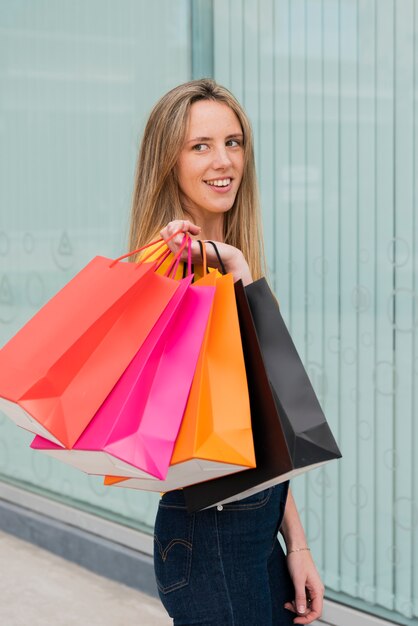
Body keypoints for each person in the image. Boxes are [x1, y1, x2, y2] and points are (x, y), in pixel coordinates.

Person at [128, 79, 324, 626]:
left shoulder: (232, 263)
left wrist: (297, 545)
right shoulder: (165, 274)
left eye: (233, 142)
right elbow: (199, 433)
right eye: (201, 146)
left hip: (257, 532)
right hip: (208, 534)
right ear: (168, 163)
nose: (224, 161)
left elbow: (269, 430)